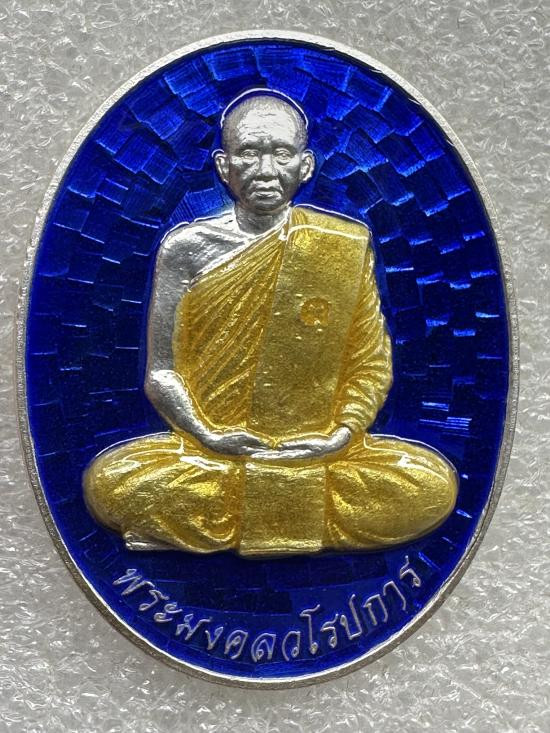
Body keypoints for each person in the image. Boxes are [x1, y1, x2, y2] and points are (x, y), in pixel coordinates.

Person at [83, 91, 458, 556]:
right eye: (248, 153)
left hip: (318, 453)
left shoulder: (340, 244)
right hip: (215, 454)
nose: (265, 170)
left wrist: (340, 436)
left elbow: (370, 364)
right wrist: (208, 435)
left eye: (281, 153)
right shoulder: (185, 248)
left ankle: (229, 521)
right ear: (224, 167)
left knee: (431, 484)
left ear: (305, 166)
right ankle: (299, 517)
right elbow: (161, 372)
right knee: (110, 483)